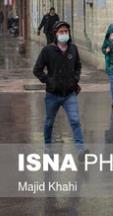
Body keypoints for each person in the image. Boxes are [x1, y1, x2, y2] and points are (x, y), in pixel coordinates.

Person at [32, 21, 87, 156]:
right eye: (61, 32)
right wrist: (48, 81)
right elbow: (37, 70)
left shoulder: (73, 49)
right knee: (49, 121)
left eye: (66, 31)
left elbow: (78, 65)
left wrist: (75, 79)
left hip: (69, 93)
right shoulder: (48, 50)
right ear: (56, 34)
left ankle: (80, 148)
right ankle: (47, 146)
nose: (64, 34)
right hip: (53, 94)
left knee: (75, 120)